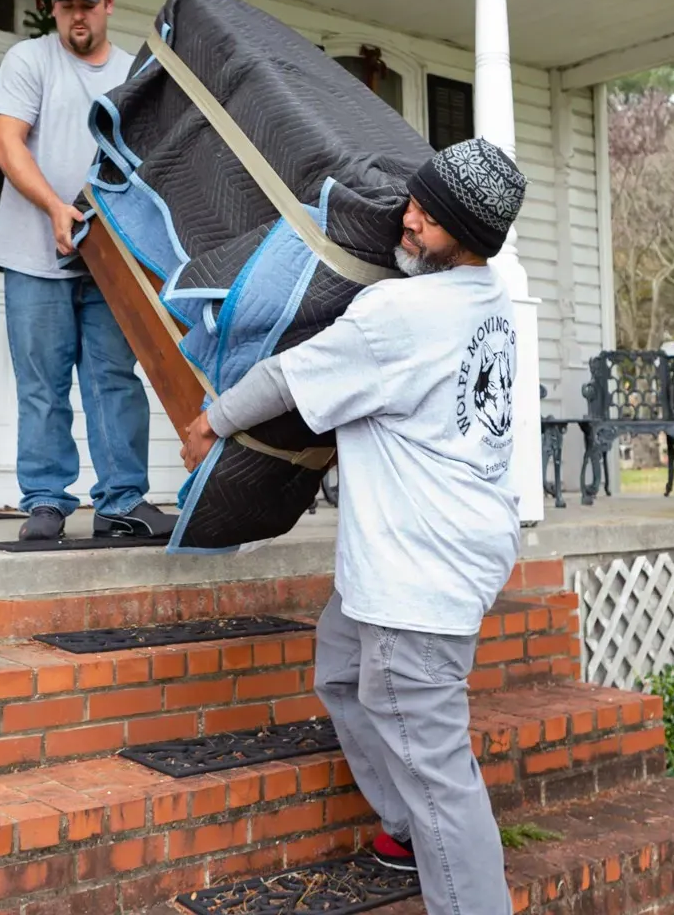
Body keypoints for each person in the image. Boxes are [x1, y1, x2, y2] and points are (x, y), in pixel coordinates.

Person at [181, 138, 528, 915]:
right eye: (412, 204)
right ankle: (407, 832)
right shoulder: (489, 299)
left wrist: (211, 421)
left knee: (440, 776)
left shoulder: (400, 311)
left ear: (467, 235)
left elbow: (285, 376)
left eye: (426, 219)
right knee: (341, 668)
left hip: (418, 571)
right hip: (444, 551)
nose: (406, 221)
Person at [0, 0, 172, 542]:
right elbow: (6, 142)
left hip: (109, 258)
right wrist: (53, 207)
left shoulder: (131, 74)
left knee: (114, 379)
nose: (77, 15)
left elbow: (149, 165)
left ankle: (123, 502)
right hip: (33, 256)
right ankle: (45, 502)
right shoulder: (28, 60)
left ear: (108, 5)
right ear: (54, 8)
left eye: (87, 4)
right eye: (66, 4)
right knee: (42, 383)